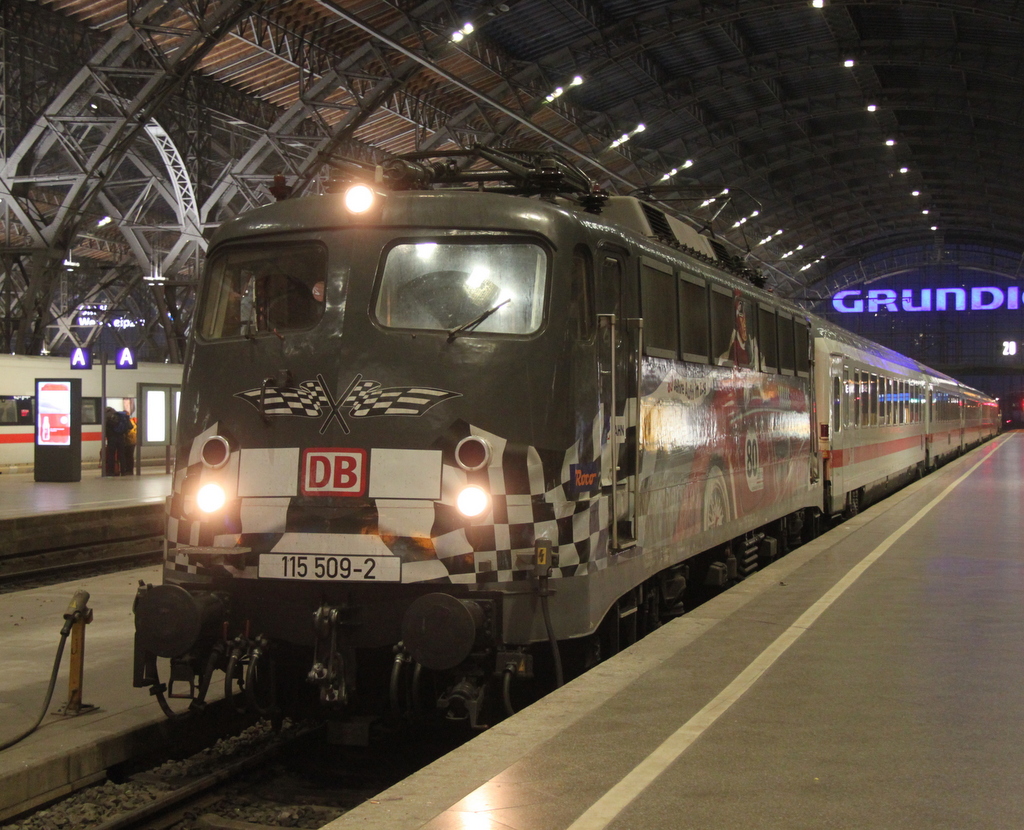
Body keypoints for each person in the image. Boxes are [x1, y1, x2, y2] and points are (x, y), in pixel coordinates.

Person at [104, 407, 125, 475]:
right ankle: (123, 471)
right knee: (121, 455)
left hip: (112, 438)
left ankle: (111, 471)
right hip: (121, 438)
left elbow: (106, 429)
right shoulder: (119, 416)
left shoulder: (106, 417)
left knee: (111, 455)